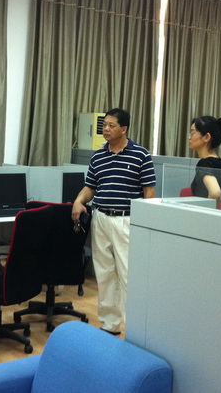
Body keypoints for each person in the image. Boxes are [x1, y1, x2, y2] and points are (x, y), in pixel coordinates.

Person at [71, 108, 156, 335]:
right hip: (100, 218)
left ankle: (135, 330)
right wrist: (79, 201)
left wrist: (144, 222)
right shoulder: (98, 156)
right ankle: (110, 324)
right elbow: (90, 187)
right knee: (105, 273)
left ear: (124, 129)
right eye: (104, 125)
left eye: (111, 125)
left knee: (128, 274)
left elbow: (149, 192)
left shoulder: (141, 155)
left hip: (127, 220)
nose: (106, 129)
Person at [188, 116, 221, 209]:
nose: (189, 137)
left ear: (206, 137)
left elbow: (215, 193)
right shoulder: (218, 161)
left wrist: (209, 215)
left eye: (192, 133)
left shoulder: (205, 164)